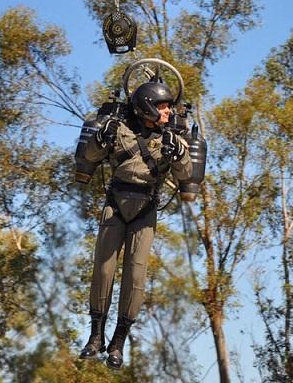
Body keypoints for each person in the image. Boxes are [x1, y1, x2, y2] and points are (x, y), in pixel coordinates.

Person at [79, 81, 192, 369]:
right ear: (148, 106)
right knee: (103, 270)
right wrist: (100, 139)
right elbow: (89, 156)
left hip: (145, 211)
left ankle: (118, 343)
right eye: (163, 106)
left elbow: (186, 173)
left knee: (135, 277)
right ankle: (95, 337)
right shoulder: (118, 130)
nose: (168, 112)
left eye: (169, 107)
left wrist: (177, 154)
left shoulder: (174, 138)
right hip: (114, 205)